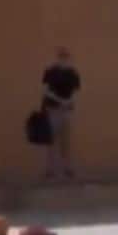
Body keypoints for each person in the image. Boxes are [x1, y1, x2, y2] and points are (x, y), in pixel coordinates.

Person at [42, 47, 81, 181]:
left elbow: (76, 92)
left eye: (65, 57)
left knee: (65, 141)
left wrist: (68, 102)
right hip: (53, 109)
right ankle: (50, 170)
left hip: (66, 110)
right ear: (57, 58)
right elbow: (46, 91)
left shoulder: (73, 74)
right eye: (61, 57)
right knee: (51, 140)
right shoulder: (50, 72)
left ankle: (66, 169)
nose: (63, 59)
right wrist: (61, 101)